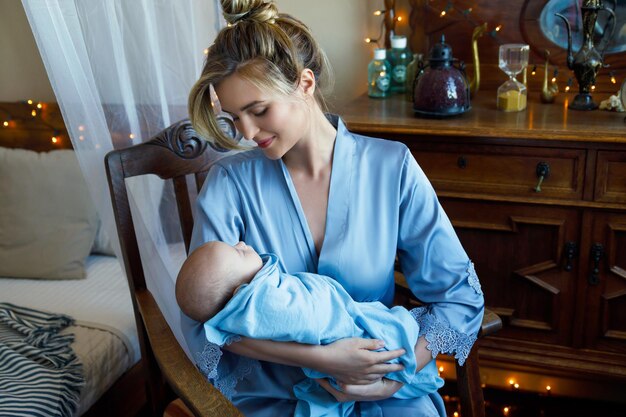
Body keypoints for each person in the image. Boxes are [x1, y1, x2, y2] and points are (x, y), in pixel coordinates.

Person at [184, 0, 485, 416]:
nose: (248, 133)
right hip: (276, 395)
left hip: (387, 384)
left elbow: (458, 297)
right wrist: (321, 359)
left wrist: (390, 375)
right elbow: (205, 319)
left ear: (305, 83)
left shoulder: (391, 167)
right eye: (235, 119)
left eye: (258, 111)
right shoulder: (228, 185)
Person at [175, 240, 444, 417]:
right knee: (394, 336)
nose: (242, 243)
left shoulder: (253, 296)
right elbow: (315, 318)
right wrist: (326, 357)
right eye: (238, 251)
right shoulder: (265, 301)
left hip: (361, 353)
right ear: (239, 293)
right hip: (341, 346)